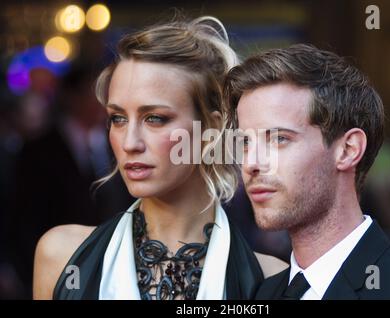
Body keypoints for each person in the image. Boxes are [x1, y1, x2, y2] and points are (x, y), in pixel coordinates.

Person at [33, 16, 286, 300]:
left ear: (211, 129)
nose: (130, 142)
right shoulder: (62, 256)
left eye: (155, 118)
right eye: (117, 118)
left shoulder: (270, 280)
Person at [223, 43, 390, 299]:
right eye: (244, 143)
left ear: (348, 150)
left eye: (279, 139)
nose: (251, 163)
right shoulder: (258, 295)